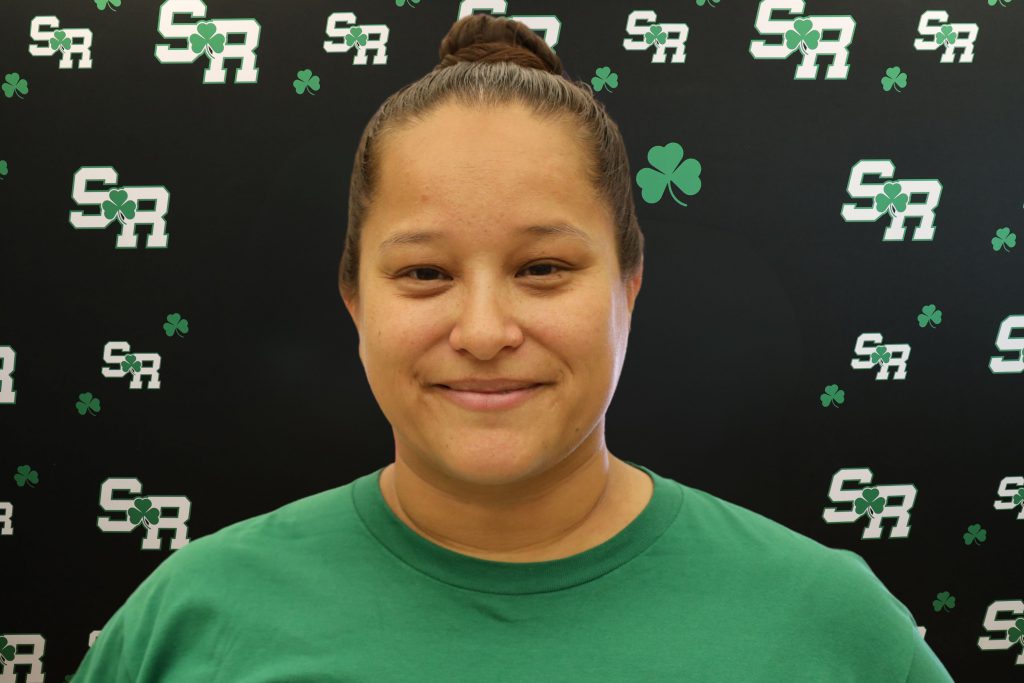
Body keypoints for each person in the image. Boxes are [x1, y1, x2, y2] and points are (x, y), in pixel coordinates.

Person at [73, 14, 954, 682]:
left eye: (542, 267)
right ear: (354, 300)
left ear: (629, 289)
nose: (486, 331)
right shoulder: (190, 618)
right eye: (423, 273)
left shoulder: (832, 627)